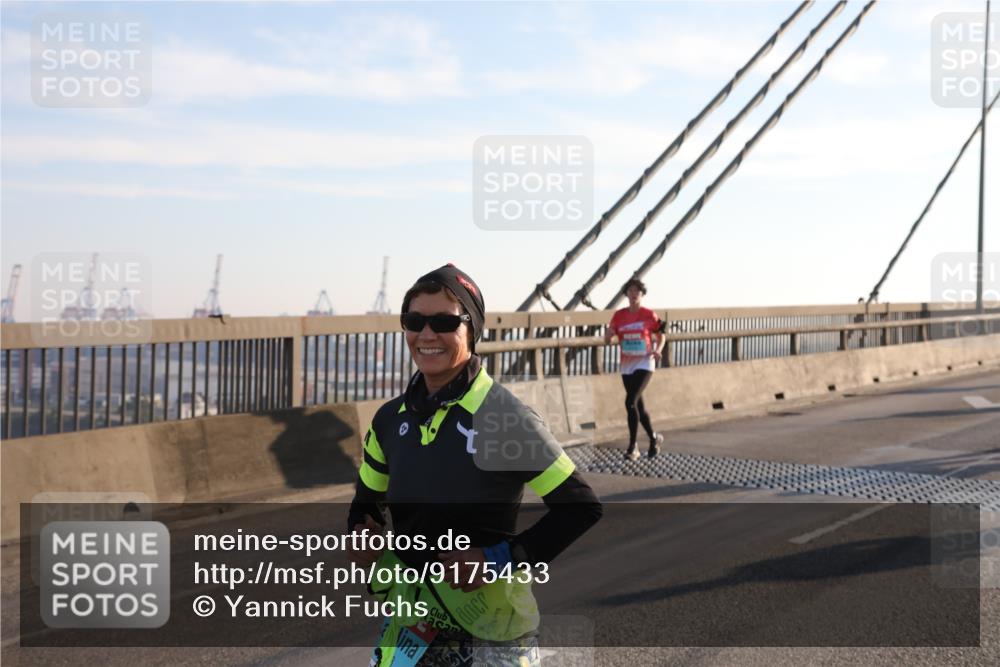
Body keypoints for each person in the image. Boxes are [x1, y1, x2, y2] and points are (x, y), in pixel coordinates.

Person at [346, 264, 603, 667]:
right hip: (409, 625)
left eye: (444, 321)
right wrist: (363, 535)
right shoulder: (389, 419)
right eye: (414, 321)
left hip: (492, 633)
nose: (426, 335)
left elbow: (580, 507)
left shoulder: (505, 418)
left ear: (472, 330)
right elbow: (366, 503)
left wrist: (498, 559)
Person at [604, 277, 665, 460]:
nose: (633, 294)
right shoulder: (619, 316)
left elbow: (662, 335)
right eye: (630, 291)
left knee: (630, 401)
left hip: (645, 362)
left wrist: (658, 350)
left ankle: (633, 447)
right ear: (626, 294)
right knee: (638, 405)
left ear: (642, 294)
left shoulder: (650, 315)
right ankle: (654, 438)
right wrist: (607, 336)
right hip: (626, 365)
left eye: (637, 291)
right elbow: (607, 340)